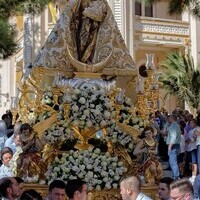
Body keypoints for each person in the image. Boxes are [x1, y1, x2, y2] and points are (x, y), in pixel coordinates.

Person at [166, 114, 181, 180]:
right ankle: (175, 175)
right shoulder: (176, 125)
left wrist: (170, 146)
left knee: (173, 162)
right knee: (174, 161)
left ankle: (176, 176)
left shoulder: (173, 126)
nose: (168, 119)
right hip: (176, 145)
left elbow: (173, 137)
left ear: (172, 118)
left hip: (173, 145)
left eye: (169, 118)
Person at [185, 119, 198, 183]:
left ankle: (194, 175)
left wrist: (190, 141)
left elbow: (194, 138)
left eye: (193, 123)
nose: (191, 124)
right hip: (190, 148)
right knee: (192, 162)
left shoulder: (197, 129)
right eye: (190, 123)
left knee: (194, 162)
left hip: (194, 147)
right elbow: (187, 139)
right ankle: (193, 174)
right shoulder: (190, 131)